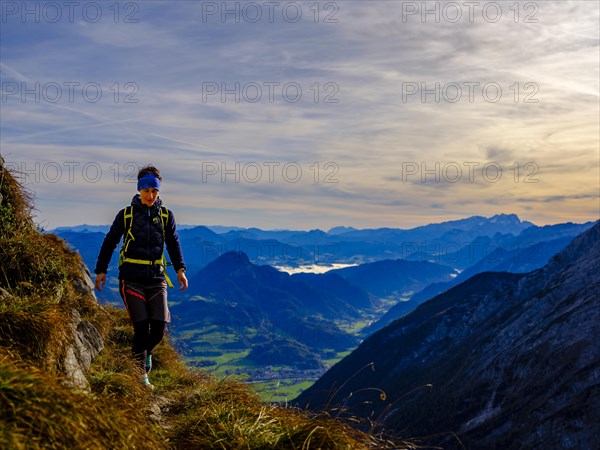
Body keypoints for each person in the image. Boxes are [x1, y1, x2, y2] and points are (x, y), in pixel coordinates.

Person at [94, 164, 188, 388]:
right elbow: (110, 242)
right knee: (141, 325)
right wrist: (101, 270)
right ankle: (141, 374)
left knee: (158, 328)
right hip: (131, 278)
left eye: (155, 191)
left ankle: (145, 353)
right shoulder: (126, 215)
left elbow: (174, 243)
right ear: (139, 190)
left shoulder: (165, 216)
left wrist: (180, 270)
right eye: (146, 190)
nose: (151, 195)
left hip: (156, 279)